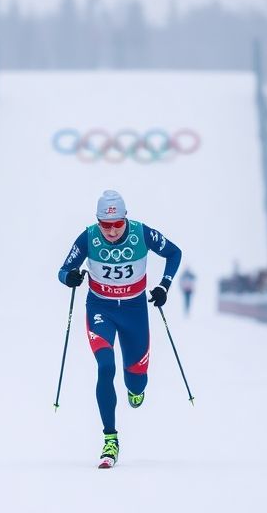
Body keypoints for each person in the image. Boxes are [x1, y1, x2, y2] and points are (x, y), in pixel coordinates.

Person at [57, 189, 182, 468]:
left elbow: (174, 253)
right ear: (97, 221)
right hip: (101, 309)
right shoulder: (88, 237)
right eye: (106, 225)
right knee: (105, 366)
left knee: (136, 382)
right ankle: (110, 439)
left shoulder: (141, 233)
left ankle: (135, 388)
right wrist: (70, 277)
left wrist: (164, 286)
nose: (112, 231)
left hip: (134, 311)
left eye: (117, 224)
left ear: (126, 219)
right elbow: (63, 270)